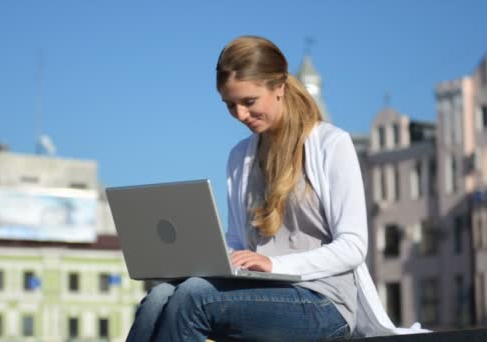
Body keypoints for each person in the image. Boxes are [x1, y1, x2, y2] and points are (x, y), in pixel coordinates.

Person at [126, 36, 428, 342]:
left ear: (279, 87)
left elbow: (352, 246)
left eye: (249, 102)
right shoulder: (239, 157)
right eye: (230, 105)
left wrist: (273, 264)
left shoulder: (330, 144)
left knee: (194, 296)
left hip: (323, 302)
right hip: (257, 292)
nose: (240, 115)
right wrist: (216, 259)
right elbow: (238, 239)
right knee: (159, 296)